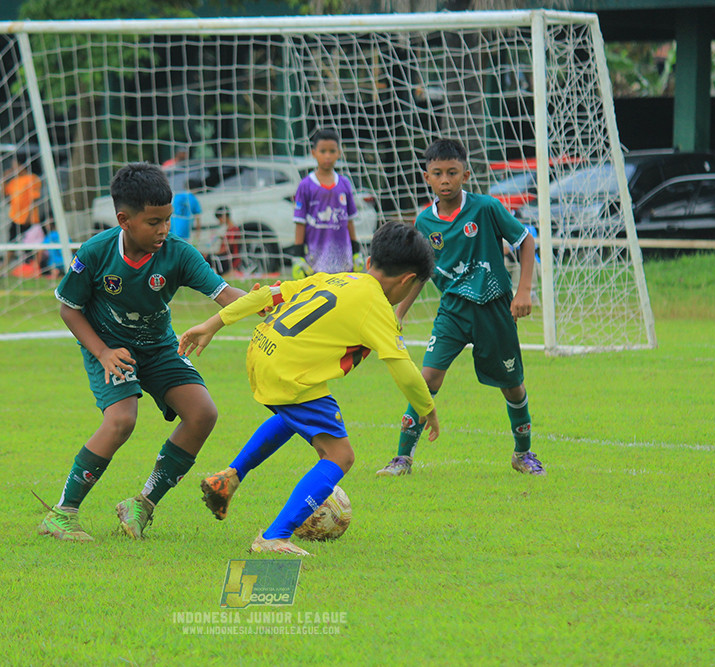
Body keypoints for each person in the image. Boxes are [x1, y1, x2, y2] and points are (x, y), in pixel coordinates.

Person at [179, 221, 441, 556]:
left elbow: (268, 294)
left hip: (261, 351)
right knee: (340, 455)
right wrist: (427, 408)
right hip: (289, 371)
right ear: (407, 281)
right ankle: (274, 536)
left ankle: (228, 478)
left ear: (370, 260)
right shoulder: (376, 304)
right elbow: (402, 366)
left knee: (293, 416)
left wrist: (212, 323)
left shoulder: (338, 278)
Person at [36, 162, 249, 543]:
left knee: (202, 414)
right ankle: (62, 513)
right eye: (154, 222)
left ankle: (142, 504)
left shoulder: (178, 253)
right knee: (121, 420)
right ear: (124, 220)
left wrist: (268, 302)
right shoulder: (96, 252)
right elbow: (69, 308)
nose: (164, 229)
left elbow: (225, 294)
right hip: (110, 347)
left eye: (167, 219)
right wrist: (102, 352)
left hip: (160, 345)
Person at [375, 138, 544, 478]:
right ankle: (402, 458)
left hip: (494, 309)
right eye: (438, 173)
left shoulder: (486, 208)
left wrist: (523, 291)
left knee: (512, 385)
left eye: (452, 172)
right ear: (427, 177)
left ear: (465, 175)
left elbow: (526, 240)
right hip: (452, 311)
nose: (445, 180)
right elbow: (422, 272)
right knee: (426, 379)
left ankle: (523, 454)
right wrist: (399, 312)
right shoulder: (425, 222)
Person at [288, 128, 362, 279]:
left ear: (339, 153)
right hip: (315, 261)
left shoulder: (345, 183)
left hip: (343, 261)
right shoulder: (306, 185)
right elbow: (300, 222)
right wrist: (298, 256)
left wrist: (356, 251)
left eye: (332, 151)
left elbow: (349, 221)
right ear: (313, 153)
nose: (327, 156)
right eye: (323, 151)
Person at [3, 154, 43, 266]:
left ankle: (33, 265)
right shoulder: (14, 181)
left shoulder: (32, 179)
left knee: (30, 244)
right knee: (12, 241)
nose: (13, 168)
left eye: (15, 165)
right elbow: (5, 196)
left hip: (28, 218)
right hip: (15, 217)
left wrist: (29, 217)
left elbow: (34, 199)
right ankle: (7, 264)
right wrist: (4, 179)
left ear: (22, 166)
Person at [202, 205, 241, 276]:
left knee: (208, 258)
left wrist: (214, 253)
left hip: (229, 260)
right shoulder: (230, 229)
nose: (219, 221)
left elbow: (227, 248)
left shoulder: (233, 230)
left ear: (224, 217)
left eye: (219, 219)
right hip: (226, 257)